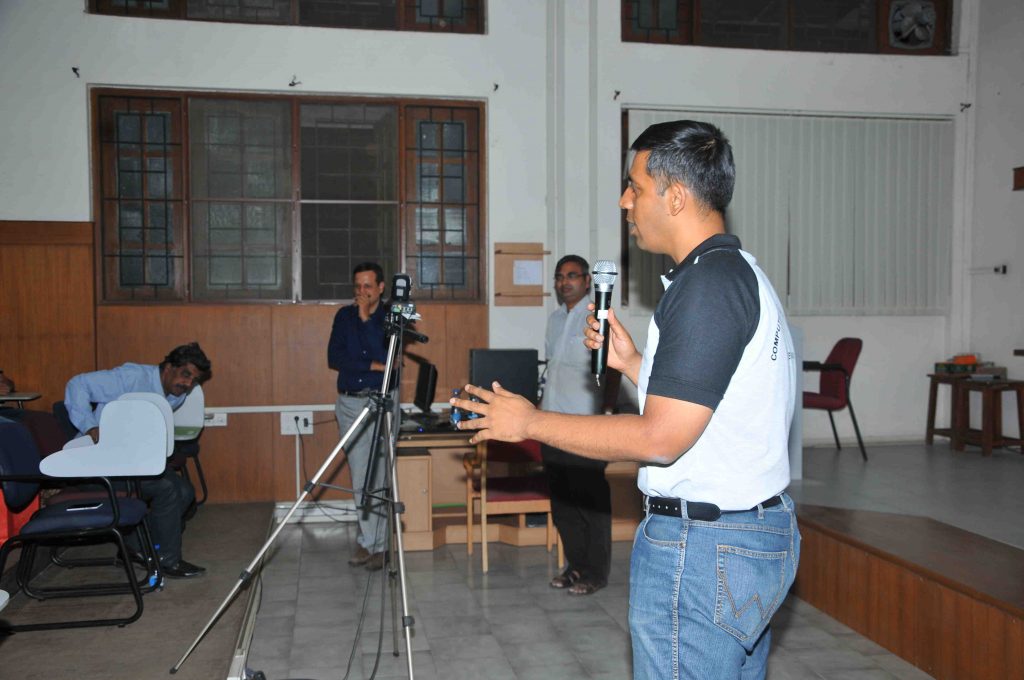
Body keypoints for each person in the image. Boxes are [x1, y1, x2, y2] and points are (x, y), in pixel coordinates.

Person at [452, 120, 799, 679]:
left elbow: (660, 439)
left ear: (676, 196)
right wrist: (634, 364)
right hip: (741, 536)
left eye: (635, 187)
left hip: (706, 547)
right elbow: (717, 404)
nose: (624, 202)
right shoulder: (737, 274)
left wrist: (530, 422)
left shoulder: (707, 288)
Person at [64, 342, 211, 579]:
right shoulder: (132, 378)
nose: (188, 384)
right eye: (185, 375)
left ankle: (135, 548)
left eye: (194, 380)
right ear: (168, 367)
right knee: (166, 489)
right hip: (96, 464)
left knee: (184, 492)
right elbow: (77, 384)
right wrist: (90, 426)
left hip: (130, 463)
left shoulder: (176, 395)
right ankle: (167, 561)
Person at [542, 255, 619, 596]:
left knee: (591, 504)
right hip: (551, 425)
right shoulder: (555, 319)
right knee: (564, 506)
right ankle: (575, 566)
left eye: (572, 275)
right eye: (560, 276)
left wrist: (608, 410)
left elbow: (613, 369)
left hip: (585, 427)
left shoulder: (597, 316)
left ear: (587, 281)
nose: (565, 282)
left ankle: (596, 573)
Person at [328, 262, 390, 572]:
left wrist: (366, 318)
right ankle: (369, 541)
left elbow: (387, 355)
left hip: (381, 402)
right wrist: (371, 366)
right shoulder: (343, 316)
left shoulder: (392, 317)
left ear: (381, 287)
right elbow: (334, 358)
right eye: (357, 286)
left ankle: (379, 545)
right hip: (350, 402)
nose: (361, 292)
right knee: (360, 473)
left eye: (368, 286)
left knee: (378, 475)